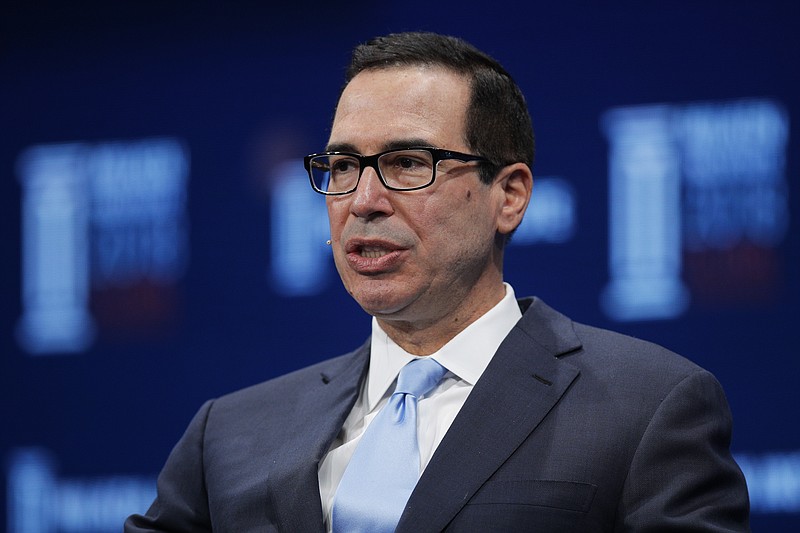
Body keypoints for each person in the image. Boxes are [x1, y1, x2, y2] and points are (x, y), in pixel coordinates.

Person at [125, 31, 750, 532]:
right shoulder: (229, 431)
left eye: (407, 163)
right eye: (342, 166)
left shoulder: (650, 408)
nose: (363, 199)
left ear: (508, 196)